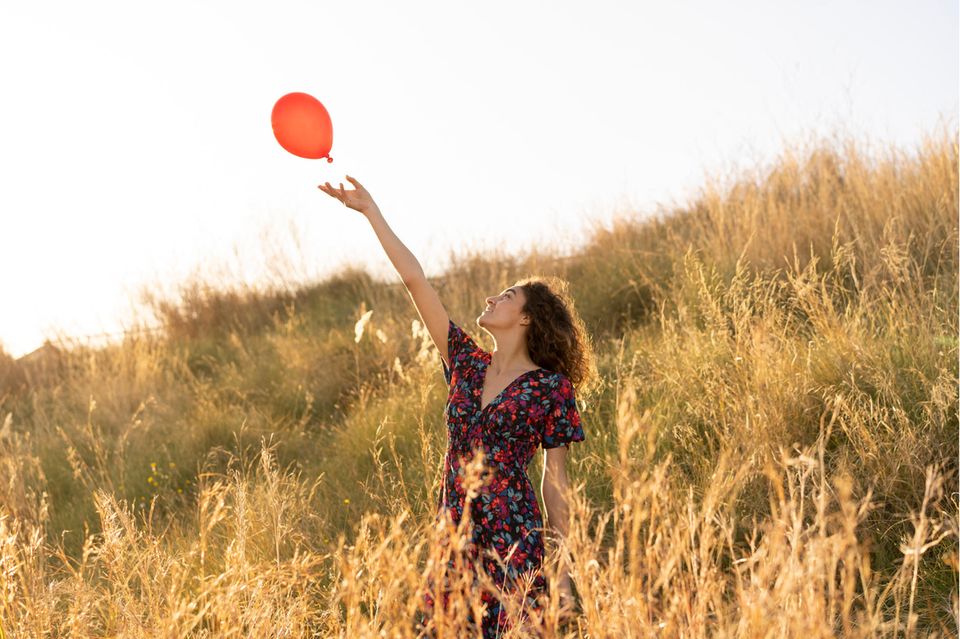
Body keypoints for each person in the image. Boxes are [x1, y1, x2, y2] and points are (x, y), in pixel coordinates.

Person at [319, 176, 592, 637]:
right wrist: (371, 212)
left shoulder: (550, 388)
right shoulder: (466, 363)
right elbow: (414, 281)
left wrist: (562, 571)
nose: (491, 298)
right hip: (453, 538)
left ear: (526, 317)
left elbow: (555, 484)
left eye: (506, 296)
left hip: (513, 537)